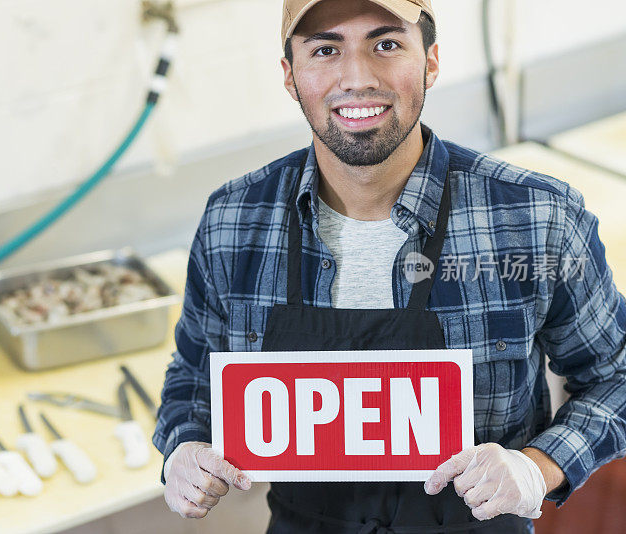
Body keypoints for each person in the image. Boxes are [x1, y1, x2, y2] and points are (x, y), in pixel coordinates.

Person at [152, 0, 626, 532]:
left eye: (386, 44)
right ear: (290, 75)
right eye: (326, 50)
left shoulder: (534, 218)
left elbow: (617, 375)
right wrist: (183, 448)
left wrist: (539, 468)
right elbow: (194, 377)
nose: (357, 77)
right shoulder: (234, 222)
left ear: (431, 61)